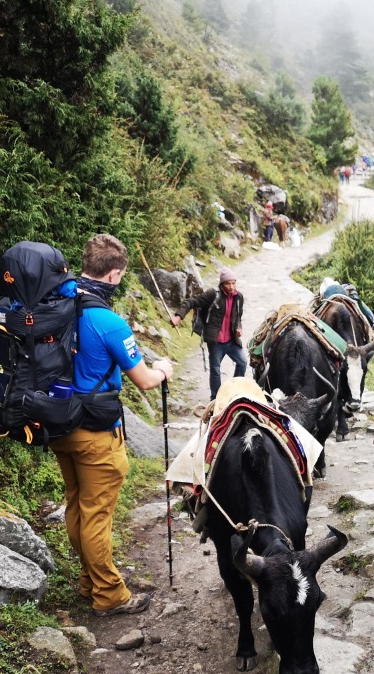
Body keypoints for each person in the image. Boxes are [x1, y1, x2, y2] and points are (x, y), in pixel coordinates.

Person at [48, 234, 173, 617]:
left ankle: (89, 581)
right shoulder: (108, 321)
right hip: (96, 434)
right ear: (115, 274)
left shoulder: (56, 305)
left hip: (58, 424)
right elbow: (145, 380)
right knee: (97, 514)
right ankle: (110, 594)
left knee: (77, 507)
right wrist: (164, 369)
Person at [173, 268, 248, 401]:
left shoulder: (239, 297)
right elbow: (191, 302)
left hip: (231, 341)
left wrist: (238, 327)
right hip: (216, 342)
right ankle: (216, 399)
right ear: (222, 284)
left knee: (242, 362)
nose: (231, 287)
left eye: (233, 283)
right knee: (215, 371)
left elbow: (238, 317)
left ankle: (235, 392)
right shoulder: (213, 295)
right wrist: (179, 316)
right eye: (228, 284)